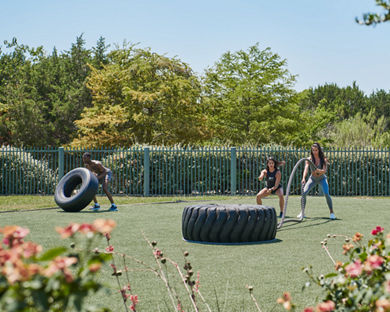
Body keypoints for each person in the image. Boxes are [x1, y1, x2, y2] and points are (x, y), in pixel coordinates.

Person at [299, 142, 335, 220]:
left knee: (326, 193)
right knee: (304, 193)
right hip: (313, 179)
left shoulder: (323, 159)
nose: (314, 152)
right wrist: (303, 178)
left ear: (319, 150)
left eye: (316, 150)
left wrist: (319, 171)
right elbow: (306, 168)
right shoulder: (309, 159)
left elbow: (325, 170)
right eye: (313, 150)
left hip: (322, 178)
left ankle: (331, 212)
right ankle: (302, 212)